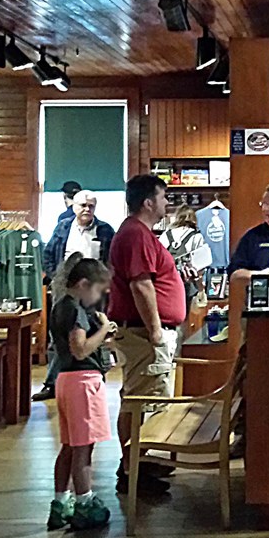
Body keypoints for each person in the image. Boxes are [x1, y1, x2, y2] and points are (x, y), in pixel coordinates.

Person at [108, 174, 186, 495]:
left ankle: (140, 464)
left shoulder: (138, 234)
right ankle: (133, 470)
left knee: (145, 398)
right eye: (164, 197)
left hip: (144, 333)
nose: (168, 203)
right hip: (143, 335)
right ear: (148, 202)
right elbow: (141, 285)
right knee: (142, 401)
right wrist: (155, 331)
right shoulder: (135, 235)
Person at [46, 255, 116, 532]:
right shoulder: (75, 310)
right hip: (83, 381)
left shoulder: (60, 307)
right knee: (84, 448)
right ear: (84, 284)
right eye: (97, 291)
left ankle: (61, 502)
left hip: (64, 379)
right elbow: (80, 348)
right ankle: (84, 502)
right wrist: (106, 329)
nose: (97, 297)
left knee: (69, 445)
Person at [35, 191, 116, 402]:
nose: (87, 209)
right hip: (66, 287)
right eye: (83, 205)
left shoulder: (105, 230)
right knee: (60, 336)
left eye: (91, 206)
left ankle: (96, 375)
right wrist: (55, 277)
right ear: (73, 207)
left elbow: (112, 258)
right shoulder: (62, 227)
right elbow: (48, 253)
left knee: (94, 331)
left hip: (93, 288)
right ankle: (53, 382)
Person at [159, 204, 207, 329]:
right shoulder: (196, 236)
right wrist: (201, 287)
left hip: (166, 282)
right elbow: (200, 266)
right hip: (187, 283)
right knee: (184, 318)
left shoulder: (166, 234)